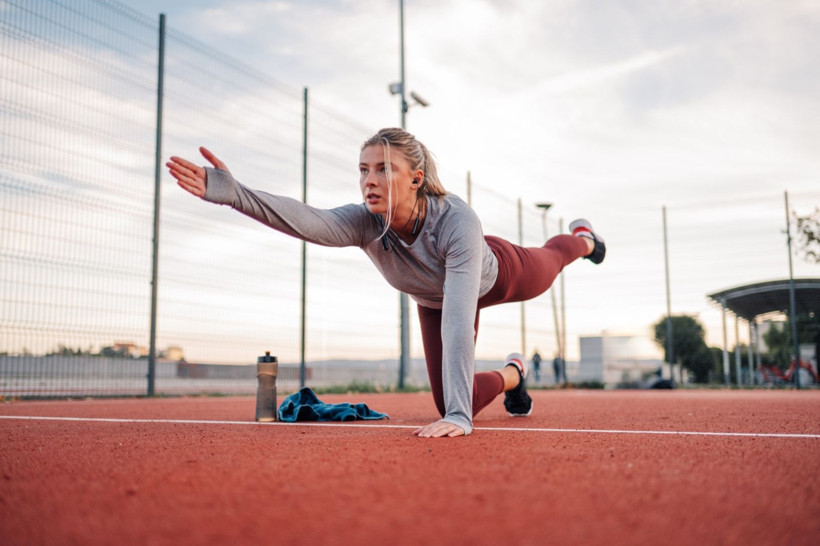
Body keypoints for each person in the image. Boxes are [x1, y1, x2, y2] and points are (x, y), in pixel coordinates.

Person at [167, 127, 605, 438]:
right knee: (455, 400)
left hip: (498, 273)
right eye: (363, 170)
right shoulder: (364, 222)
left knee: (552, 260)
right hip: (433, 299)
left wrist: (459, 418)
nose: (369, 180)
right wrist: (235, 193)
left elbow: (458, 319)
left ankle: (583, 240)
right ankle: (515, 373)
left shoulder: (456, 221)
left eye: (383, 169)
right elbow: (311, 221)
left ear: (415, 179)